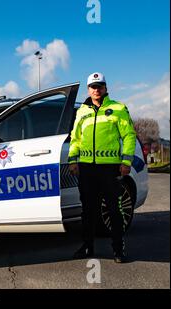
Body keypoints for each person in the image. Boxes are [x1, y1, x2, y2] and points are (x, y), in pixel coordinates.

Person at [68, 72, 137, 263]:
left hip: (109, 169)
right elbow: (76, 138)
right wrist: (73, 161)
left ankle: (118, 249)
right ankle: (88, 246)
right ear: (88, 89)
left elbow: (129, 136)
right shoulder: (82, 111)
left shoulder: (118, 108)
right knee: (88, 210)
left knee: (114, 210)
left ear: (105, 88)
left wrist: (126, 161)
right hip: (87, 169)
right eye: (93, 87)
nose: (96, 90)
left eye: (99, 86)